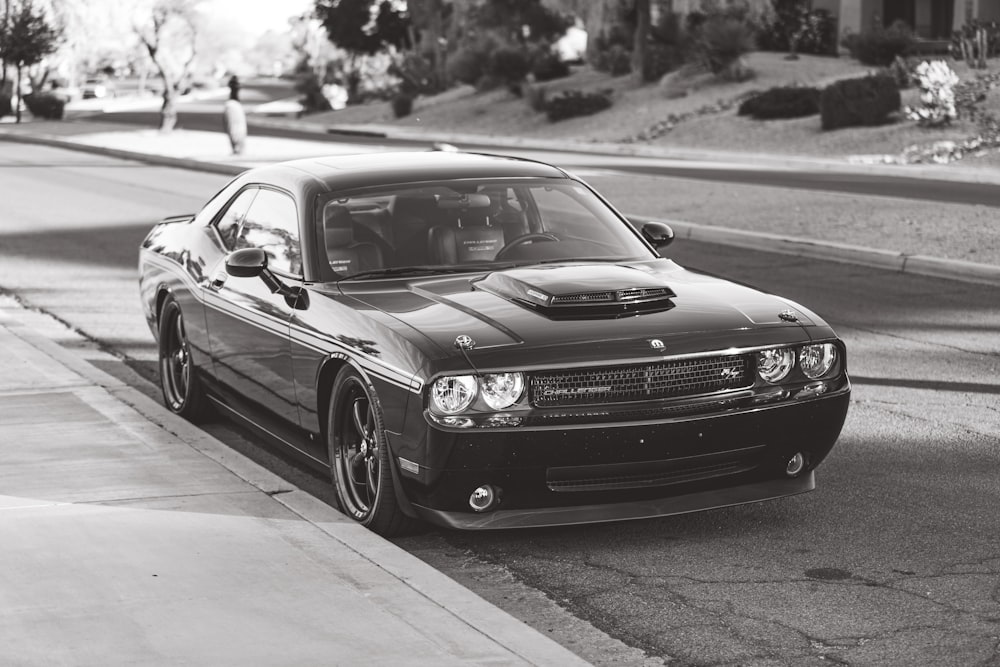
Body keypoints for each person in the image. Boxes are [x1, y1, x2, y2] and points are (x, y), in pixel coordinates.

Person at [222, 75, 247, 155]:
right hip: (236, 103)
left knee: (234, 128)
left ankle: (236, 148)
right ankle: (237, 148)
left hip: (234, 104)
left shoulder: (231, 105)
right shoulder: (234, 105)